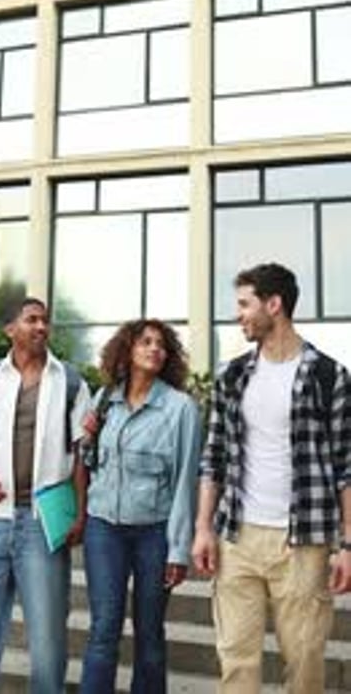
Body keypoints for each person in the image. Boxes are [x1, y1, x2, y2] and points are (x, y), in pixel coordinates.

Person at [192, 262, 351, 694]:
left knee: (304, 667)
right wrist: (204, 527)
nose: (238, 314)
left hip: (303, 543)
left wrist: (348, 545)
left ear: (274, 305)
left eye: (245, 304)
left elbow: (346, 466)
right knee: (236, 665)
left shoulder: (328, 376)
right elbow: (215, 455)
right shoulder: (232, 374)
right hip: (237, 537)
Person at [0, 295, 91, 694]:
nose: (40, 327)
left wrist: (79, 513)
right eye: (31, 320)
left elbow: (83, 454)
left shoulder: (69, 381)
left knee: (48, 631)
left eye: (44, 321)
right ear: (10, 329)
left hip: (42, 523)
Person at [79, 318, 202, 694]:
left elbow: (186, 482)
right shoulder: (104, 400)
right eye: (145, 342)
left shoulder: (181, 408)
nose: (154, 349)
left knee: (149, 633)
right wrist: (85, 438)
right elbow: (90, 463)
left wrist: (179, 548)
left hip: (154, 532)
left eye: (161, 345)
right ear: (127, 350)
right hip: (103, 528)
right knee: (104, 629)